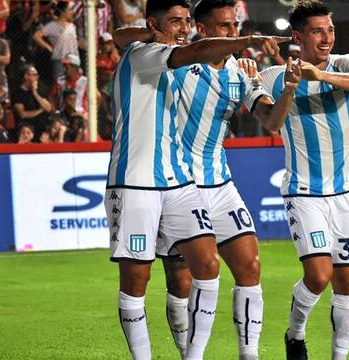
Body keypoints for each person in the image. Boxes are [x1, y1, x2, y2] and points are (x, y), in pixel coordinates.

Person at [117, 1, 301, 358]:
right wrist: (155, 31)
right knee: (181, 281)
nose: (233, 32)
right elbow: (121, 38)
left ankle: (249, 354)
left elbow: (272, 122)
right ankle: (190, 352)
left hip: (220, 183)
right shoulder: (178, 61)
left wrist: (287, 90)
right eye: (225, 26)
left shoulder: (242, 72)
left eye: (236, 26)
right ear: (201, 29)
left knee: (249, 265)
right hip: (177, 182)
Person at [259, 1, 349, 359]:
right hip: (304, 192)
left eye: (330, 30)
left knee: (347, 282)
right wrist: (292, 84)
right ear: (298, 36)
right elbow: (271, 123)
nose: (326, 38)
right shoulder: (273, 77)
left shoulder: (345, 63)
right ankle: (295, 335)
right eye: (317, 31)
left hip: (346, 192)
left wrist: (320, 75)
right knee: (319, 276)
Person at [32, 1, 79, 80]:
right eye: (70, 9)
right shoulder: (52, 25)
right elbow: (36, 36)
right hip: (60, 60)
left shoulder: (72, 25)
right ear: (63, 12)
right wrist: (48, 47)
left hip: (73, 59)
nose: (73, 12)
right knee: (60, 82)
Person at [11, 64, 54, 136]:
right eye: (34, 75)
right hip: (27, 127)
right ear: (26, 76)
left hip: (43, 127)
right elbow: (23, 114)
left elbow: (49, 108)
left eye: (37, 75)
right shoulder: (17, 93)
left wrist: (35, 93)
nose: (36, 77)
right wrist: (40, 110)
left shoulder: (40, 88)